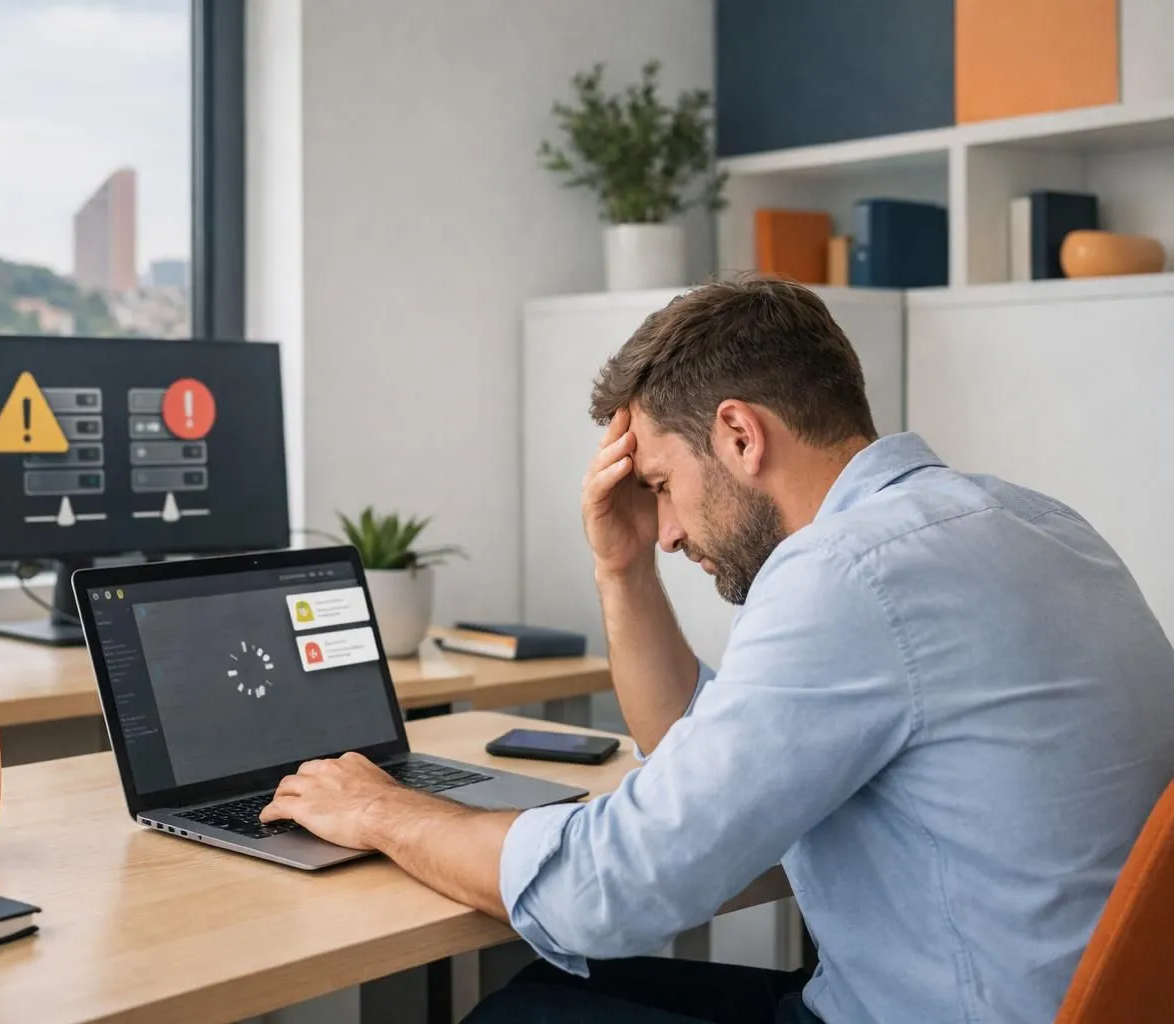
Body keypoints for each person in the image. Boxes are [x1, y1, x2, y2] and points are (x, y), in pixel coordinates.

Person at [260, 277, 1174, 1023]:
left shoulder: (848, 574)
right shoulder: (1030, 521)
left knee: (522, 1018)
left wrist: (384, 812)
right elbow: (701, 751)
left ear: (740, 435)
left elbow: (608, 890)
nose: (664, 530)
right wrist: (620, 570)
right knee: (546, 996)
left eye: (661, 484)